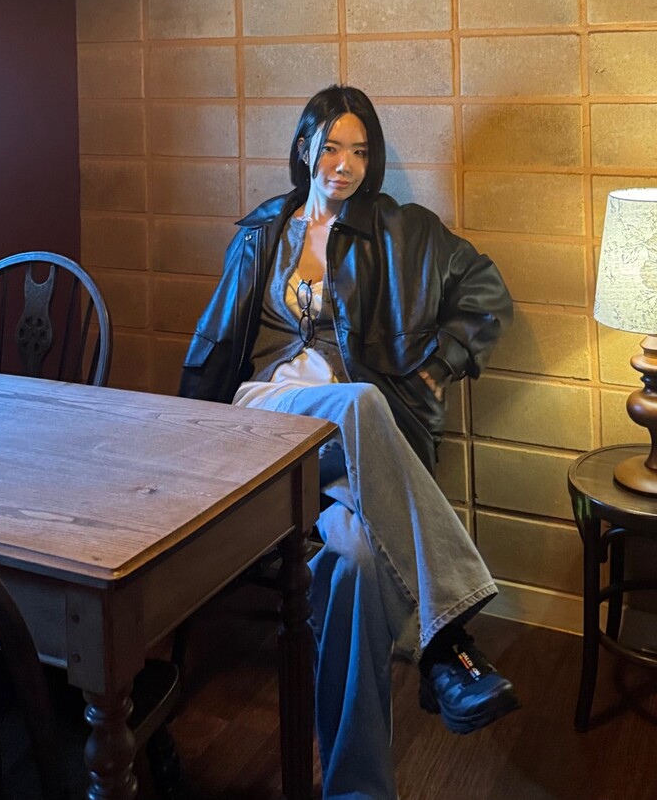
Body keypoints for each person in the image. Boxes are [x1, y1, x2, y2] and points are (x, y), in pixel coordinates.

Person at [179, 84, 518, 800]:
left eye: (360, 152)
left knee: (360, 557)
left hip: (341, 448)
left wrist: (438, 367)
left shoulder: (403, 232)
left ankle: (357, 790)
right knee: (363, 401)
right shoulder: (263, 233)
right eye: (331, 147)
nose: (344, 164)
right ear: (305, 148)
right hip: (264, 415)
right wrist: (186, 444)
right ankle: (447, 634)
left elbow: (487, 292)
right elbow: (213, 342)